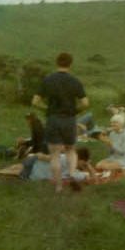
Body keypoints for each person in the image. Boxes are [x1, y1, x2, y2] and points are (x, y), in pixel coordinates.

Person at [33, 53, 89, 195]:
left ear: (56, 63)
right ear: (70, 64)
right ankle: (71, 174)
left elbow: (35, 102)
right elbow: (85, 103)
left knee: (55, 155)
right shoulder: (75, 81)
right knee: (71, 150)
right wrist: (75, 111)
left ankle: (58, 186)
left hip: (53, 119)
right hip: (69, 119)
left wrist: (47, 109)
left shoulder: (48, 80)